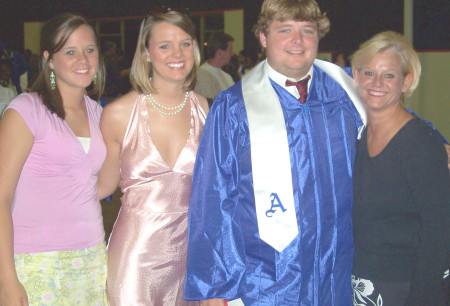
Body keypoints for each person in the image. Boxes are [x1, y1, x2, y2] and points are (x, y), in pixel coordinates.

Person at [184, 0, 366, 305]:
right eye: (285, 30)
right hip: (268, 281)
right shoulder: (234, 106)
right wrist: (216, 287)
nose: (298, 40)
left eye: (307, 30)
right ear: (264, 37)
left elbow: (391, 121)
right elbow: (213, 198)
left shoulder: (345, 91)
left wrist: (435, 141)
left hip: (337, 274)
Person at [98, 10, 208, 305]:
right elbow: (101, 187)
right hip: (136, 257)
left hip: (190, 256)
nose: (178, 54)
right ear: (146, 53)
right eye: (164, 45)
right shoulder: (119, 113)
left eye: (185, 43)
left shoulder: (207, 110)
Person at [0, 13, 107, 305]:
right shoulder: (26, 110)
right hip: (36, 261)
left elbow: (98, 185)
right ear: (49, 58)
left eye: (89, 50)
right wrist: (7, 280)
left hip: (93, 258)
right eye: (70, 52)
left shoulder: (100, 115)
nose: (82, 59)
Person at [351, 31, 449, 305]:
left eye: (389, 75)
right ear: (356, 77)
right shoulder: (357, 138)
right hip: (361, 281)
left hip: (407, 287)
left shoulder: (420, 142)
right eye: (369, 73)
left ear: (406, 82)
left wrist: (421, 296)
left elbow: (440, 229)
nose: (377, 83)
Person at [194, 32, 235, 103]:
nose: (232, 54)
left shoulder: (227, 77)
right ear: (219, 53)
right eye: (230, 50)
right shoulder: (200, 77)